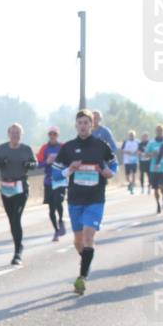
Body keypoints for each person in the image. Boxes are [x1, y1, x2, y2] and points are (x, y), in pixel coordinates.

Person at [54, 109, 118, 295]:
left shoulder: (101, 145)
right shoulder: (68, 147)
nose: (83, 126)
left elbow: (114, 164)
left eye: (86, 123)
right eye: (80, 122)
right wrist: (69, 170)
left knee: (89, 236)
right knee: (78, 241)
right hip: (75, 199)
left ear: (92, 125)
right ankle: (87, 260)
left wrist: (110, 173)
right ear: (76, 125)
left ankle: (81, 278)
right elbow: (56, 173)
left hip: (95, 198)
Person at [0, 123, 39, 265]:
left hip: (21, 187)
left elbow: (35, 163)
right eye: (12, 133)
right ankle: (18, 245)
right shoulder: (1, 149)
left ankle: (18, 251)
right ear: (8, 134)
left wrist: (30, 165)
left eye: (17, 133)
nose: (15, 135)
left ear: (21, 135)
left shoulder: (26, 149)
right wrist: (0, 164)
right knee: (12, 220)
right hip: (6, 187)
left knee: (16, 218)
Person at [37, 126, 67, 241]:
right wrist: (47, 162)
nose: (52, 136)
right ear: (48, 135)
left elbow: (69, 161)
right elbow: (38, 164)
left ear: (58, 135)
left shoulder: (63, 147)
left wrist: (60, 162)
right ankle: (56, 231)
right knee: (51, 208)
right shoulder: (44, 148)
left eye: (55, 134)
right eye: (50, 134)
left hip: (60, 179)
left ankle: (61, 221)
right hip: (48, 181)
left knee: (58, 202)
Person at [146, 125, 163, 213]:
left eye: (161, 130)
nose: (159, 132)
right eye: (158, 130)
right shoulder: (151, 143)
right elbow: (146, 155)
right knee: (155, 189)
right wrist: (152, 154)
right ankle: (158, 204)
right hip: (153, 169)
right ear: (156, 131)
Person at [121, 130, 140, 194]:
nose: (132, 136)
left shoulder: (137, 142)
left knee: (134, 173)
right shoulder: (125, 142)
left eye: (133, 135)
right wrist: (127, 152)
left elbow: (140, 150)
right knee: (127, 175)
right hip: (127, 161)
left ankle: (132, 186)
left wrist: (137, 152)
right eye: (130, 135)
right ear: (129, 136)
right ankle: (130, 183)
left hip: (134, 160)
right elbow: (122, 150)